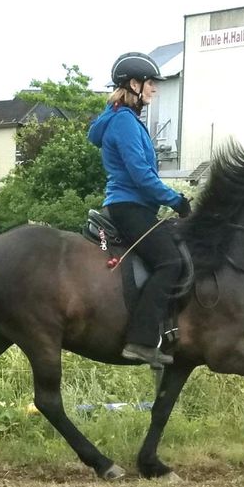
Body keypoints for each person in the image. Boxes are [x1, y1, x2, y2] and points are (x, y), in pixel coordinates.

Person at [88, 51, 192, 369]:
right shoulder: (124, 122)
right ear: (134, 84)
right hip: (129, 207)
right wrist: (177, 200)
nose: (154, 89)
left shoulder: (125, 119)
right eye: (150, 84)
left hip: (134, 204)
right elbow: (142, 177)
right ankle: (142, 341)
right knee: (170, 262)